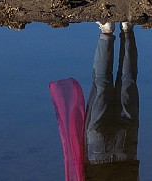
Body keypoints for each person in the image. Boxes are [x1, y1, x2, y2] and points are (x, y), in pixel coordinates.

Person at [48, 21, 141, 181]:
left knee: (128, 80)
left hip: (125, 155)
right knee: (101, 82)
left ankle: (127, 29)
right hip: (97, 155)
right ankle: (107, 30)